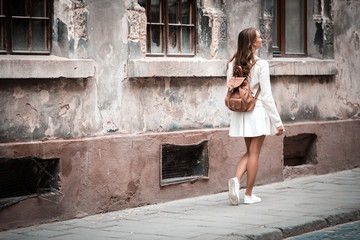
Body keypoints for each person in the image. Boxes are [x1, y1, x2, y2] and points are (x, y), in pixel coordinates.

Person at [226, 28, 284, 205]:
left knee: (250, 151)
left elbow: (229, 89)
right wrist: (278, 123)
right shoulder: (261, 65)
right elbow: (267, 96)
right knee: (254, 153)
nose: (261, 39)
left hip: (241, 113)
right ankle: (249, 195)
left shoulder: (232, 63)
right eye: (259, 37)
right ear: (252, 43)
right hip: (256, 111)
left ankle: (236, 181)